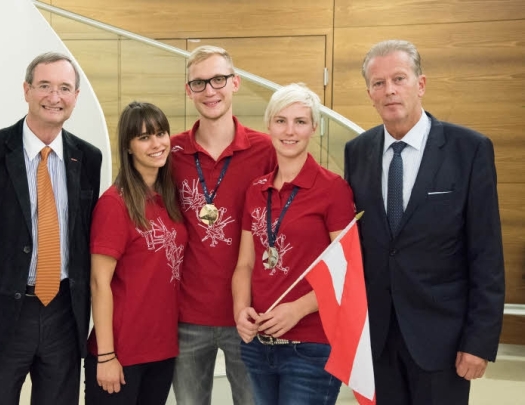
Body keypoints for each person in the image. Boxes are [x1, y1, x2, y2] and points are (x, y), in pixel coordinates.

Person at [344, 39, 505, 404]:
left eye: (399, 78)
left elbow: (487, 254)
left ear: (421, 84)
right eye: (379, 83)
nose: (390, 91)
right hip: (378, 341)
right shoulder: (357, 152)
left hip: (443, 343)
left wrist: (478, 342)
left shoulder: (470, 149)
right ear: (369, 93)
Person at [0, 52, 102, 404]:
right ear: (26, 90)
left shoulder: (88, 158)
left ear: (75, 97)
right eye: (44, 86)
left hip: (63, 316)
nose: (54, 97)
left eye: (64, 88)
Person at [232, 83, 355, 405]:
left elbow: (348, 271)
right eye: (281, 120)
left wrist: (297, 310)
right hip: (258, 344)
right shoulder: (255, 190)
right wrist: (239, 309)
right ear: (268, 125)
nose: (290, 131)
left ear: (314, 127)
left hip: (311, 347)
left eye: (300, 121)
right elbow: (246, 263)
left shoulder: (333, 189)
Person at [170, 45, 277, 404]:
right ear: (188, 90)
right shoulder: (171, 153)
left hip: (248, 316)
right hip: (185, 317)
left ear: (236, 83)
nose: (209, 90)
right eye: (199, 83)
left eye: (218, 79)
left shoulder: (268, 151)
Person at [84, 101, 188, 404]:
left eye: (161, 133)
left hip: (162, 348)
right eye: (144, 137)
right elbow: (98, 283)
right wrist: (106, 356)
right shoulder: (115, 204)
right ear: (128, 147)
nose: (157, 144)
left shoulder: (168, 197)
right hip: (121, 351)